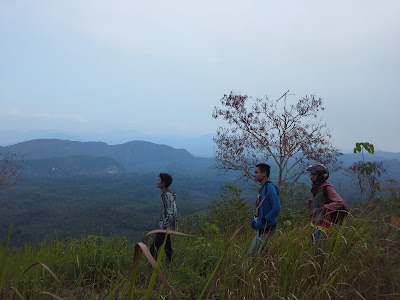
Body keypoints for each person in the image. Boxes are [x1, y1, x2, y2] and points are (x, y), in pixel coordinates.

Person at [305, 164, 345, 246]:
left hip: (323, 221)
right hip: (315, 219)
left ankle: (319, 258)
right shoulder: (318, 187)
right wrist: (312, 201)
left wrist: (325, 208)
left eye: (314, 174)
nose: (311, 177)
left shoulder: (327, 188)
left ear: (321, 176)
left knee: (319, 244)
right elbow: (322, 198)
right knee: (313, 242)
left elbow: (339, 201)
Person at [249, 163, 281, 257]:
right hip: (263, 225)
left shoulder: (269, 187)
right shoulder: (264, 188)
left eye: (256, 172)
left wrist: (266, 219)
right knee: (264, 252)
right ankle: (267, 268)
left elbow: (277, 207)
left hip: (267, 226)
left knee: (252, 253)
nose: (254, 174)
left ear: (264, 174)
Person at [150, 173, 178, 262]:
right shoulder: (166, 194)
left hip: (165, 228)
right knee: (167, 248)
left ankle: (153, 269)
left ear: (163, 183)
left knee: (153, 248)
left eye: (159, 180)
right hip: (166, 228)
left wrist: (163, 226)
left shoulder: (168, 195)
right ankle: (170, 267)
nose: (157, 182)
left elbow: (172, 213)